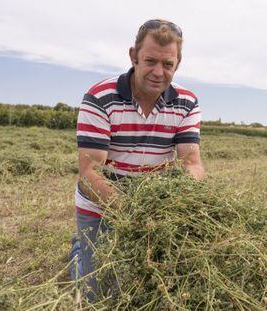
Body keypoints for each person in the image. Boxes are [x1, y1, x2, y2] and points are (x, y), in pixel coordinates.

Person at [69, 18, 205, 301]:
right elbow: (90, 172)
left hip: (152, 204)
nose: (158, 72)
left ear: (177, 64)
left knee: (154, 286)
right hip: (101, 202)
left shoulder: (186, 102)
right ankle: (79, 253)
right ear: (133, 56)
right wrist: (134, 214)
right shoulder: (100, 97)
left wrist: (181, 203)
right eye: (150, 61)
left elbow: (191, 163)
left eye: (167, 64)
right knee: (98, 295)